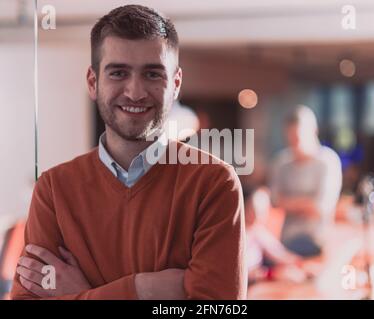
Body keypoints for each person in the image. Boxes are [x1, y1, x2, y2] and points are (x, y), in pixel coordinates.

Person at [10, 5, 246, 300]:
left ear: (175, 84)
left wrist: (83, 294)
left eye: (152, 74)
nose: (135, 92)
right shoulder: (54, 190)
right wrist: (143, 288)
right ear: (93, 82)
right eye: (119, 73)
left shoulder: (213, 184)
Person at [271, 105, 342, 257]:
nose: (295, 143)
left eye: (298, 137)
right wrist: (307, 203)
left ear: (313, 131)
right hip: (287, 241)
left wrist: (290, 202)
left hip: (319, 240)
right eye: (290, 138)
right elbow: (276, 201)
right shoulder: (281, 162)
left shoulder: (328, 161)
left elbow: (321, 207)